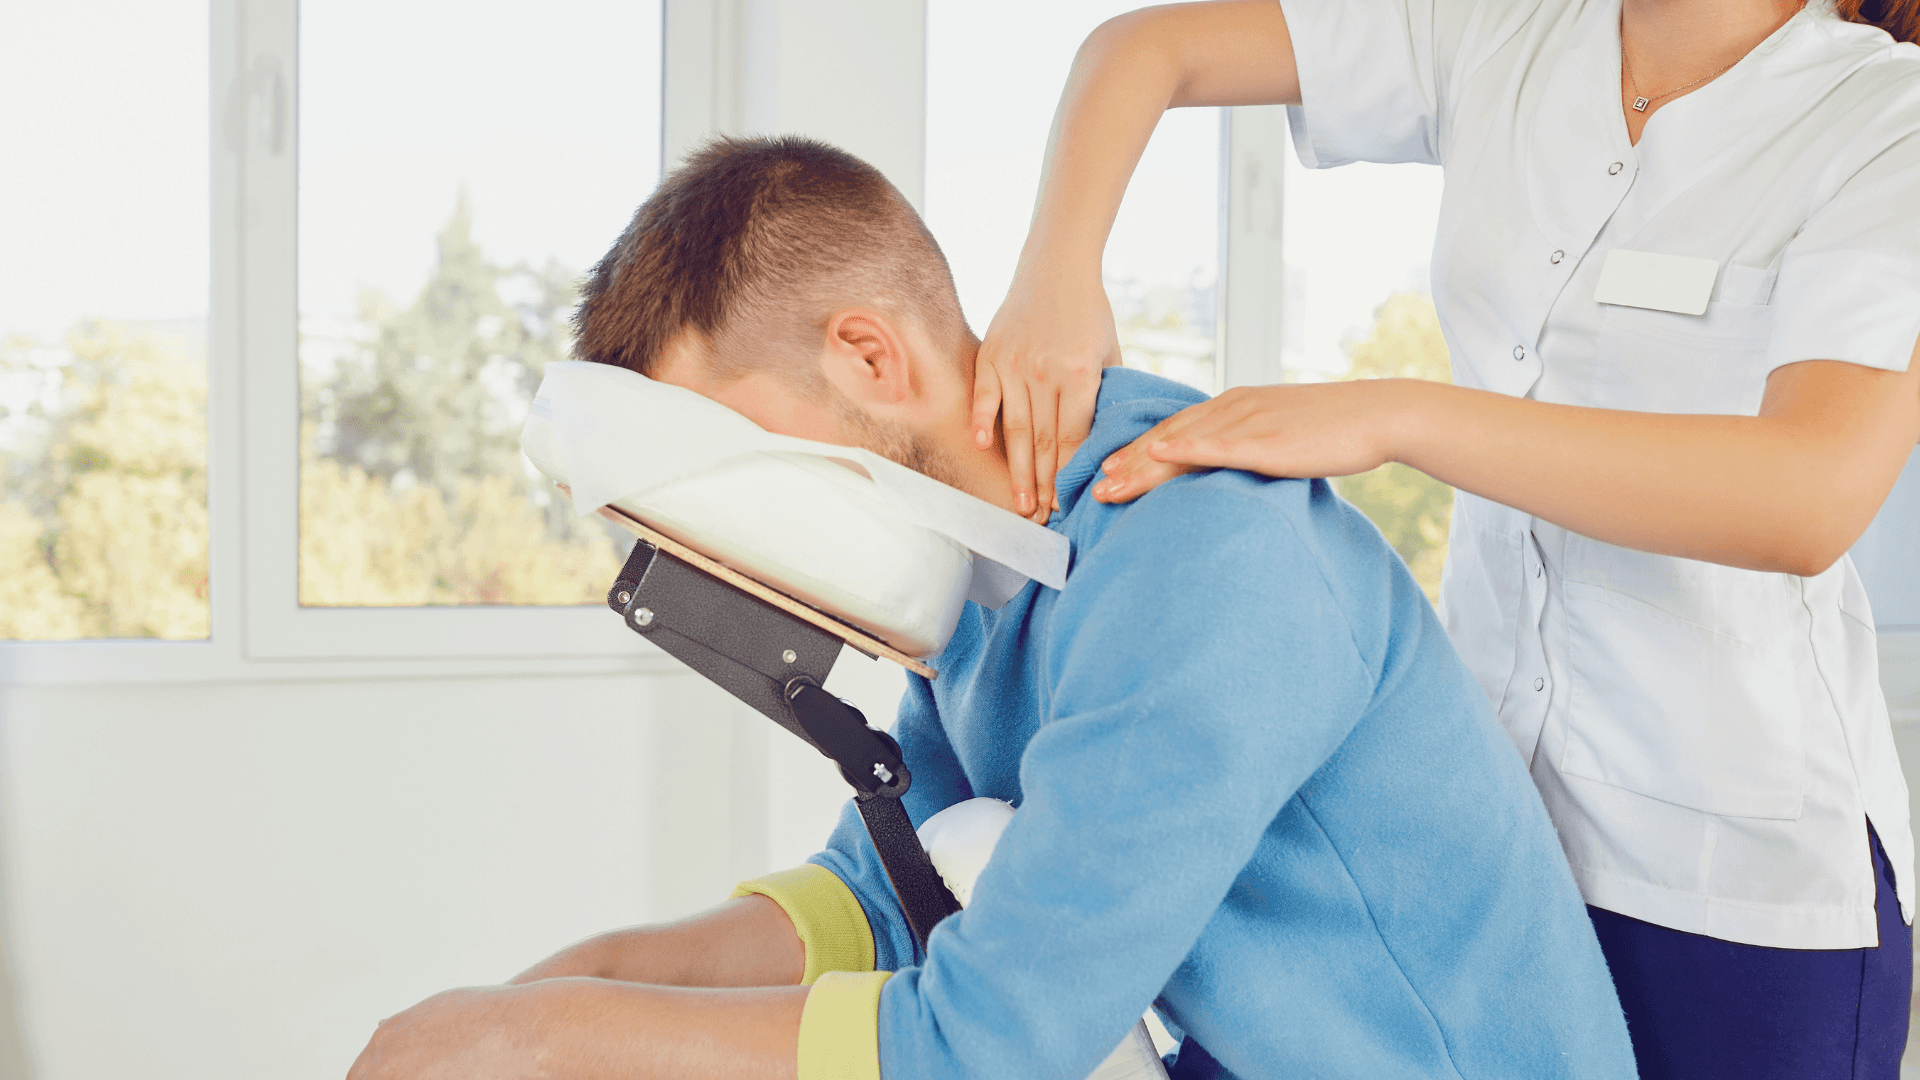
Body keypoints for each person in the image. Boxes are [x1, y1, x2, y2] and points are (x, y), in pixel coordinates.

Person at [345, 136, 1636, 1080]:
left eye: (733, 448)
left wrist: (536, 1040)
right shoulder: (991, 566)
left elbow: (992, 1040)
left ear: (869, 355)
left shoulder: (1199, 557)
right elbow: (892, 889)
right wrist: (593, 973)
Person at [975, 1, 1920, 1076]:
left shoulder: (1885, 121)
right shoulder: (1496, 32)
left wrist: (1400, 417)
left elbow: (1809, 495)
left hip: (1729, 891)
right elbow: (1148, 47)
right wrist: (1056, 272)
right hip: (1474, 831)